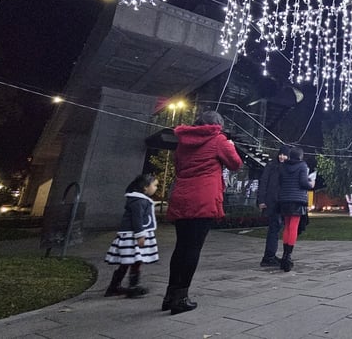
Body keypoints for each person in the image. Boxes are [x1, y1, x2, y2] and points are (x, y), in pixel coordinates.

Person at [163, 111, 242, 315]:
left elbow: (179, 167)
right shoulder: (218, 140)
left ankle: (170, 295)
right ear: (218, 124)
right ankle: (181, 298)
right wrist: (231, 147)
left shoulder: (184, 142)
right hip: (203, 198)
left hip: (182, 196)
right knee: (193, 248)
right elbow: (236, 164)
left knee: (181, 246)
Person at [104, 174, 159, 298]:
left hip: (132, 236)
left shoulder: (138, 200)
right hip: (132, 237)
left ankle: (116, 286)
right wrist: (140, 235)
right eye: (154, 185)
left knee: (129, 261)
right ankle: (131, 286)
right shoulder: (139, 201)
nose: (156, 188)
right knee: (134, 260)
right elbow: (137, 219)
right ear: (145, 187)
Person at [277, 146, 315, 272]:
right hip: (297, 200)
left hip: (284, 199)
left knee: (287, 226)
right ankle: (288, 256)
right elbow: (303, 183)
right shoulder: (302, 166)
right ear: (300, 156)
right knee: (293, 227)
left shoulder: (282, 166)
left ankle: (284, 255)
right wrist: (311, 184)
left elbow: (280, 181)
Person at [257, 145, 291, 267]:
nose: (282, 157)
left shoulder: (287, 168)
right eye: (281, 154)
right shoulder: (271, 166)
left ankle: (270, 255)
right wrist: (261, 200)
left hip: (281, 202)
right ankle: (269, 256)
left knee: (275, 229)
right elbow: (264, 182)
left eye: (285, 155)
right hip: (272, 202)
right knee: (274, 228)